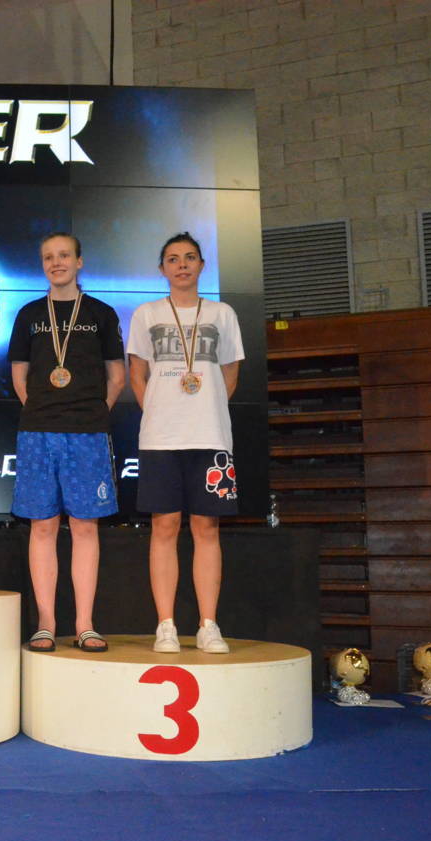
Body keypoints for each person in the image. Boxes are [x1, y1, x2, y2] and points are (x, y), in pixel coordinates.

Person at [127, 232, 244, 654]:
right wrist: (160, 411)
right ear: (162, 269)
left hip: (210, 434)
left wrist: (205, 408)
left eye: (190, 257)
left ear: (201, 265)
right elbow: (137, 374)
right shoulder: (146, 314)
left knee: (206, 527)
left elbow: (230, 374)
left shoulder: (222, 313)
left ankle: (209, 625)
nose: (182, 265)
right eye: (173, 259)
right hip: (161, 437)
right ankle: (166, 625)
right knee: (164, 526)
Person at [9, 233, 125, 652]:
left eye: (63, 255)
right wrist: (44, 409)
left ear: (79, 261)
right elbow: (19, 376)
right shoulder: (28, 314)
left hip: (88, 432)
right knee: (42, 525)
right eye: (48, 257)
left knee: (85, 525)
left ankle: (84, 624)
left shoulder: (101, 313)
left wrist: (92, 412)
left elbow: (117, 376)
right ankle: (45, 622)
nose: (56, 262)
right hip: (38, 430)